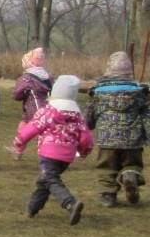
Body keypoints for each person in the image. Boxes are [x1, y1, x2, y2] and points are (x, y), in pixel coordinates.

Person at [13, 75, 92, 224]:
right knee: (45, 181)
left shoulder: (47, 111)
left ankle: (69, 203)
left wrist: (19, 142)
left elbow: (31, 128)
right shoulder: (78, 116)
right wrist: (84, 151)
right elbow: (86, 138)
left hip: (49, 153)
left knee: (50, 179)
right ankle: (33, 208)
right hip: (67, 157)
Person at [86, 51, 149, 207]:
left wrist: (88, 125)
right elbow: (146, 114)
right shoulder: (139, 92)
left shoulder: (97, 92)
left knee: (106, 168)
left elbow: (90, 116)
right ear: (129, 72)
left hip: (107, 139)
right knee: (132, 164)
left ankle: (108, 196)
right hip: (132, 139)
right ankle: (130, 176)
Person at [12, 47, 53, 125]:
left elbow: (16, 96)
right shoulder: (49, 77)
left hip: (33, 115)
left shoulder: (26, 78)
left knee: (22, 130)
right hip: (49, 114)